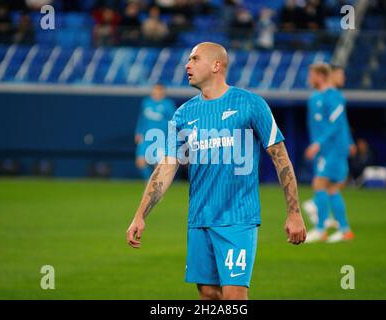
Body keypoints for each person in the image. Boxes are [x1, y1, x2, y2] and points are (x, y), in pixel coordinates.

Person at [126, 42, 307, 300]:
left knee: (233, 296)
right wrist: (140, 215)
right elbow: (165, 169)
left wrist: (294, 213)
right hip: (199, 219)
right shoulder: (183, 114)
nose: (187, 65)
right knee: (209, 294)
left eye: (194, 59)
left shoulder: (250, 104)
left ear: (216, 65)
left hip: (238, 218)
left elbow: (281, 159)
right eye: (188, 59)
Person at [304, 63, 355, 243]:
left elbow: (337, 124)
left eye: (311, 75)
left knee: (319, 184)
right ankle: (344, 229)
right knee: (332, 188)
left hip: (333, 149)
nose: (308, 78)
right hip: (325, 150)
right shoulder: (315, 98)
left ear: (320, 76)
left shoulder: (334, 97)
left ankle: (321, 228)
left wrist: (318, 143)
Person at [135, 84, 176, 180]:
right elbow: (142, 118)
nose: (156, 93)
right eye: (155, 91)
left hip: (161, 138)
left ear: (163, 93)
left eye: (159, 91)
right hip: (146, 137)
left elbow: (173, 121)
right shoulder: (146, 102)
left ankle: (156, 186)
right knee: (140, 162)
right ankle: (149, 183)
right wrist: (138, 132)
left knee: (158, 165)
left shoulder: (168, 104)